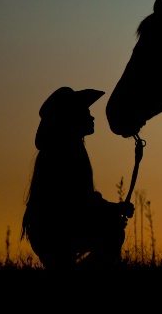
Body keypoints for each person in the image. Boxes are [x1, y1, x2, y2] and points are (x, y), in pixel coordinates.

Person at [22, 87, 134, 270]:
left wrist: (111, 210)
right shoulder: (67, 152)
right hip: (57, 230)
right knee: (113, 233)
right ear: (72, 117)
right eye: (86, 112)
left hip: (47, 230)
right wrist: (113, 211)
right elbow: (78, 201)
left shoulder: (60, 149)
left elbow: (81, 200)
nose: (92, 117)